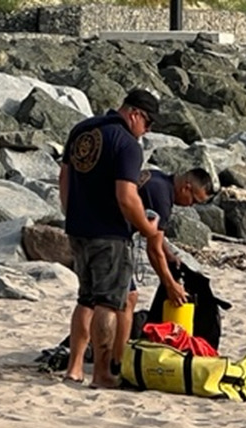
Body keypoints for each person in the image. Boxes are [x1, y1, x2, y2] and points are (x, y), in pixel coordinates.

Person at [59, 88, 183, 388]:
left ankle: (74, 367)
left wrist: (71, 213)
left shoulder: (83, 129)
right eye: (148, 123)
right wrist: (146, 227)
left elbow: (64, 177)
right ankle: (102, 373)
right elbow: (126, 197)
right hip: (110, 233)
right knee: (109, 303)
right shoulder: (127, 143)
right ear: (134, 114)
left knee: (85, 300)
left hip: (78, 228)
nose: (147, 130)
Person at [65, 167, 217, 383]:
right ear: (186, 187)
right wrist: (171, 284)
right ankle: (116, 364)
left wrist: (170, 253)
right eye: (194, 200)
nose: (191, 205)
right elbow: (153, 250)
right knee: (121, 300)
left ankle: (75, 367)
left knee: (87, 300)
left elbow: (153, 234)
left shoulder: (156, 178)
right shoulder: (162, 198)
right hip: (110, 240)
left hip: (84, 230)